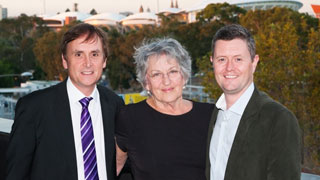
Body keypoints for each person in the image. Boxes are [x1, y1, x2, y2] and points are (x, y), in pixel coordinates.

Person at [6, 23, 123, 180]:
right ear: (65, 61)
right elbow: (16, 173)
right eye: (78, 54)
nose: (88, 63)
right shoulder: (34, 108)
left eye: (94, 54)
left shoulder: (115, 105)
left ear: (104, 61)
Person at [205, 24, 301, 180]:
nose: (229, 68)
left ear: (254, 62)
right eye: (222, 59)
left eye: (238, 59)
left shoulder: (278, 119)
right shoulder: (213, 115)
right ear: (212, 62)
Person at [115, 38, 214, 180]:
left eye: (172, 72)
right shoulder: (129, 118)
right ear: (146, 82)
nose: (166, 81)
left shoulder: (210, 115)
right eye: (156, 74)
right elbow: (112, 168)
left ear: (184, 76)